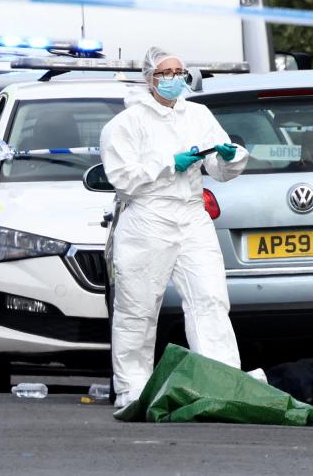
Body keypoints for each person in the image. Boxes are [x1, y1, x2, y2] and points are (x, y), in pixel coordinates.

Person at [99, 46, 254, 410]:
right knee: (138, 306)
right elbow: (124, 179)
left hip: (191, 213)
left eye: (178, 72)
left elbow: (219, 165)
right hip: (148, 217)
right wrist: (169, 164)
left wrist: (230, 157)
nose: (173, 79)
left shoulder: (197, 114)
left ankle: (222, 383)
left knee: (210, 298)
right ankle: (132, 390)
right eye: (165, 73)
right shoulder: (126, 124)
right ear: (149, 78)